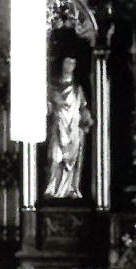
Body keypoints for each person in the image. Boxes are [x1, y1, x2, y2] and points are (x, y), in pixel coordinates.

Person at [44, 55, 90, 200]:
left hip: (74, 129)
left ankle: (71, 188)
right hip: (58, 127)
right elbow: (47, 109)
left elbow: (83, 108)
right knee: (56, 158)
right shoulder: (53, 88)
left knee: (73, 160)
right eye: (68, 62)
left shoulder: (77, 89)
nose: (70, 66)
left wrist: (86, 119)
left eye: (73, 63)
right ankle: (52, 188)